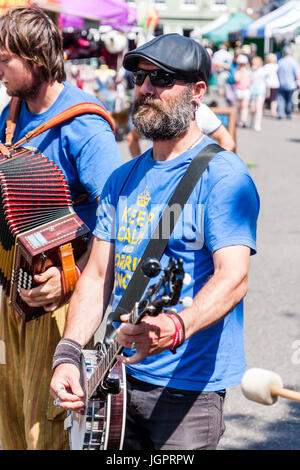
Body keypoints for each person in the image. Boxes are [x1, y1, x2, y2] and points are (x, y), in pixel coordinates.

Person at [50, 33, 260, 451]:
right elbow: (95, 276)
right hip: (115, 377)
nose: (146, 88)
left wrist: (175, 326)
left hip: (187, 392)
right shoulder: (122, 178)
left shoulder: (225, 177)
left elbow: (234, 277)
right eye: (139, 77)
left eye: (162, 78)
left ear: (198, 91)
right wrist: (69, 353)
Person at [0, 7, 122, 450]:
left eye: (3, 60)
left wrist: (70, 274)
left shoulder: (85, 126)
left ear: (34, 60)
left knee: (46, 423)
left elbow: (117, 214)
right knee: (11, 410)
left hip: (60, 297)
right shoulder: (11, 114)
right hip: (13, 288)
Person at [127, 101, 236, 157]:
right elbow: (132, 138)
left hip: (192, 181)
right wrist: (140, 168)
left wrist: (208, 171)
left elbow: (228, 142)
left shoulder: (200, 111)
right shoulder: (154, 112)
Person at [276, 45, 300, 119]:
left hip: (281, 83)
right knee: (289, 100)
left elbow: (277, 72)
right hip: (291, 84)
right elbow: (297, 74)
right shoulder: (294, 62)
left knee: (281, 99)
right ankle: (288, 113)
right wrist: (298, 83)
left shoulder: (280, 61)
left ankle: (280, 113)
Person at [249, 56, 267, 132]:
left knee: (259, 108)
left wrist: (268, 92)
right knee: (252, 109)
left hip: (261, 92)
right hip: (252, 92)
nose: (254, 65)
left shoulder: (262, 71)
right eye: (253, 63)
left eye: (256, 64)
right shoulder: (250, 71)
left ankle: (257, 124)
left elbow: (266, 82)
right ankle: (252, 121)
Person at [234, 53, 251, 128]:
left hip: (246, 90)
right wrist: (241, 72)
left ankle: (243, 121)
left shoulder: (248, 71)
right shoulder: (237, 71)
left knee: (245, 106)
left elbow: (250, 80)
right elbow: (237, 79)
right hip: (239, 90)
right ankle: (238, 120)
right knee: (239, 106)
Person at [263, 53, 279, 118]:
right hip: (275, 84)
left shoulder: (265, 67)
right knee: (273, 99)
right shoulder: (276, 66)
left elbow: (264, 77)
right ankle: (273, 112)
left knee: (265, 99)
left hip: (267, 84)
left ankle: (262, 110)